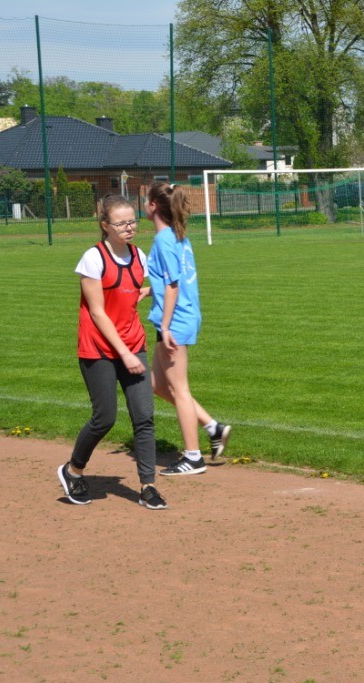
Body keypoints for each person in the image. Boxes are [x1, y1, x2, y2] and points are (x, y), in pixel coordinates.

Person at [58, 194, 168, 510]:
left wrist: (150, 291)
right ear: (105, 225)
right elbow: (97, 312)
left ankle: (148, 486)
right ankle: (73, 471)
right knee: (104, 418)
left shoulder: (138, 255)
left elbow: (134, 289)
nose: (129, 227)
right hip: (99, 349)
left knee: (144, 417)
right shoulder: (93, 259)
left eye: (133, 221)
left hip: (133, 343)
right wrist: (124, 354)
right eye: (121, 223)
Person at [145, 181, 232, 476]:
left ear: (153, 206)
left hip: (174, 321)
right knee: (157, 385)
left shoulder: (164, 240)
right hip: (180, 315)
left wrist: (165, 326)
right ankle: (212, 426)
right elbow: (171, 281)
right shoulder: (177, 236)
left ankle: (193, 457)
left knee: (179, 389)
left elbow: (173, 286)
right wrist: (149, 291)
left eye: (145, 201)